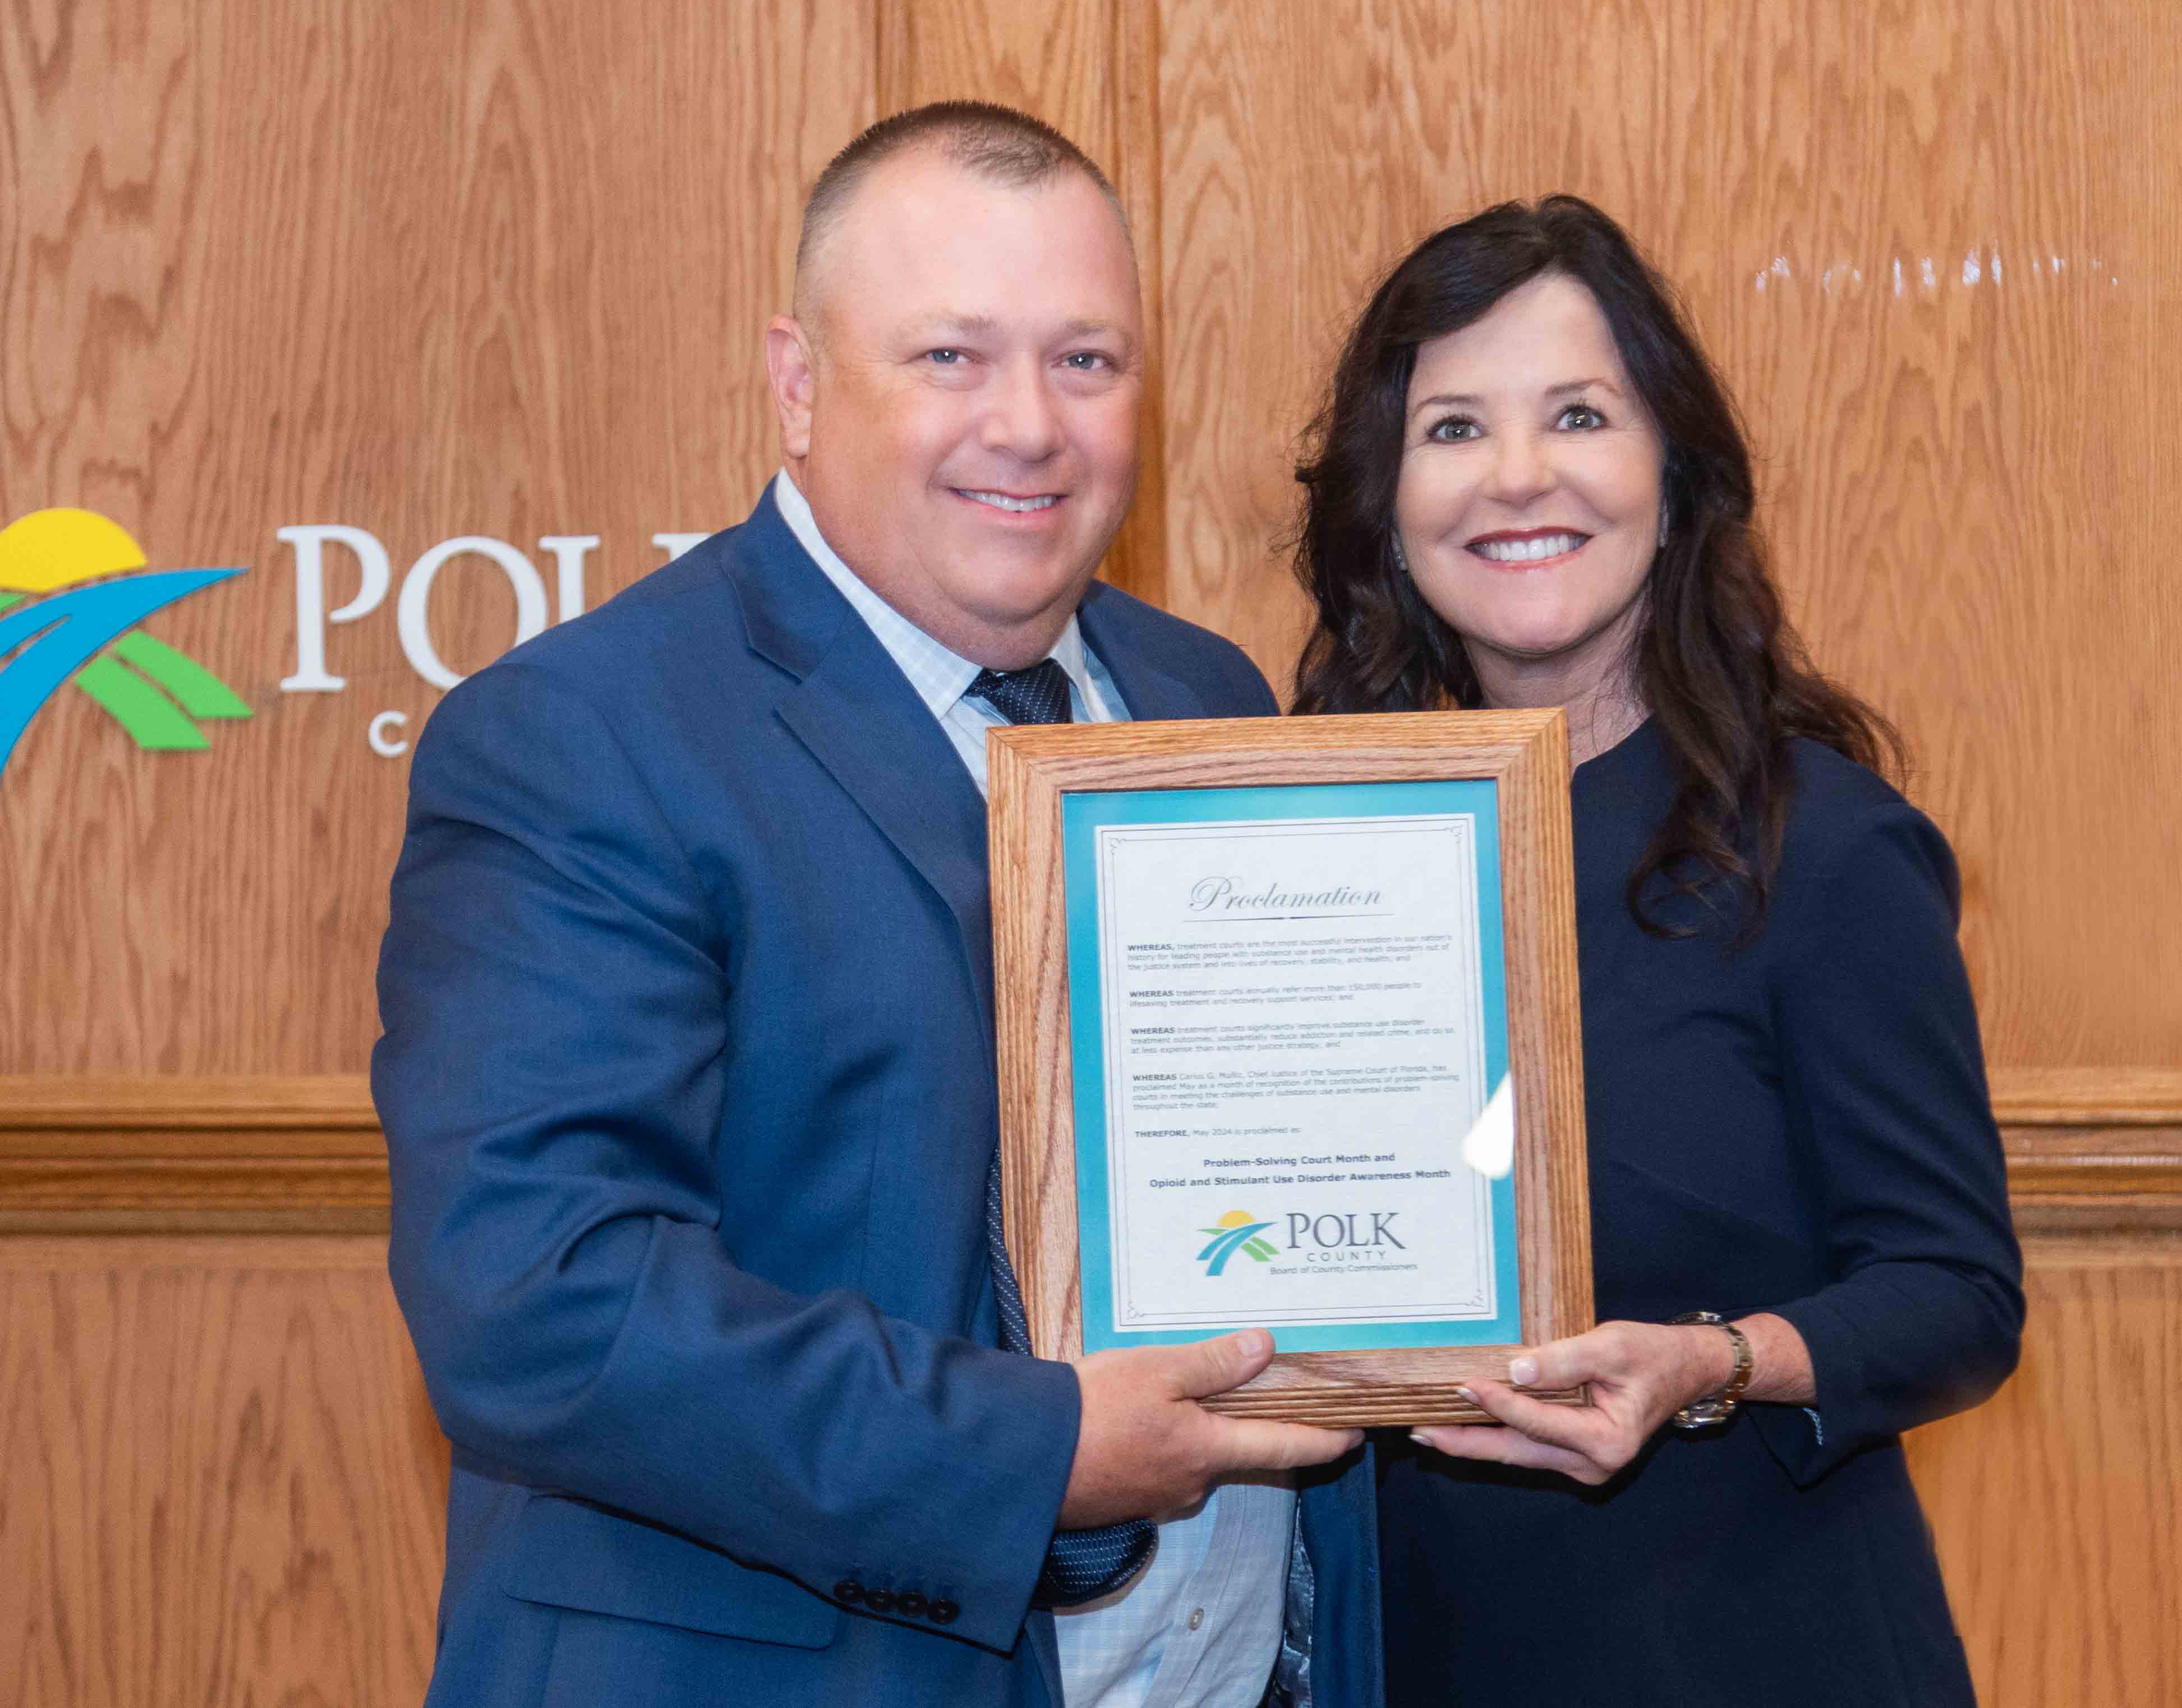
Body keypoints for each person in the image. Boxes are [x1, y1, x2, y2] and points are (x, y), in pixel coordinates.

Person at [372, 102, 1379, 1708]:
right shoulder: (587, 733)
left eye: (1087, 361)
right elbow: (538, 1304)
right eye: (950, 359)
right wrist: (1045, 1450)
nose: (1030, 426)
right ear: (796, 383)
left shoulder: (1202, 692)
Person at [1287, 195, 2023, 1706]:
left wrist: (1714, 1363)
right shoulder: (1313, 848)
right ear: (1386, 503)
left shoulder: (1821, 847)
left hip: (1745, 1646)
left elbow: (1957, 1289)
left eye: (1578, 413)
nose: (1518, 477)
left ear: (1673, 476)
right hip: (1410, 1651)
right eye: (1453, 429)